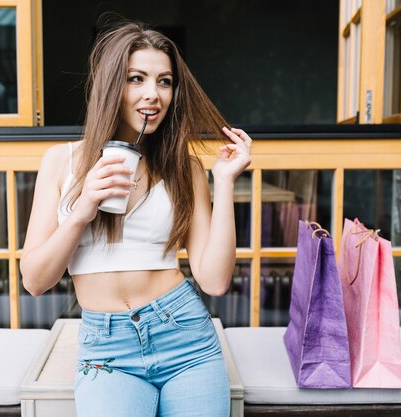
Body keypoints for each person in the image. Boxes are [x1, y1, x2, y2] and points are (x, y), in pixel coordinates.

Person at [21, 19, 252, 417]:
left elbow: (214, 280)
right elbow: (35, 281)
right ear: (112, 85)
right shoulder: (63, 161)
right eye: (136, 79)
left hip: (186, 339)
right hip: (106, 348)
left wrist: (225, 181)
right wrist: (83, 209)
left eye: (164, 81)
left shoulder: (185, 168)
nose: (153, 94)